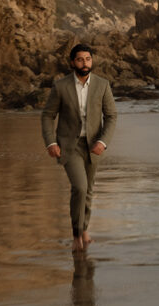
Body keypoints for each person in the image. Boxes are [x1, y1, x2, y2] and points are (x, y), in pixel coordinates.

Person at [42, 43, 117, 251]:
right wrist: (51, 142)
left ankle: (85, 229)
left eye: (88, 59)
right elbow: (48, 115)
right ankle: (77, 234)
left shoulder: (102, 85)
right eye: (80, 59)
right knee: (80, 187)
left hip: (93, 146)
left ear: (92, 61)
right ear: (72, 63)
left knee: (89, 190)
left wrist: (103, 142)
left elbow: (111, 116)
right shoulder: (61, 86)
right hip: (69, 146)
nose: (85, 63)